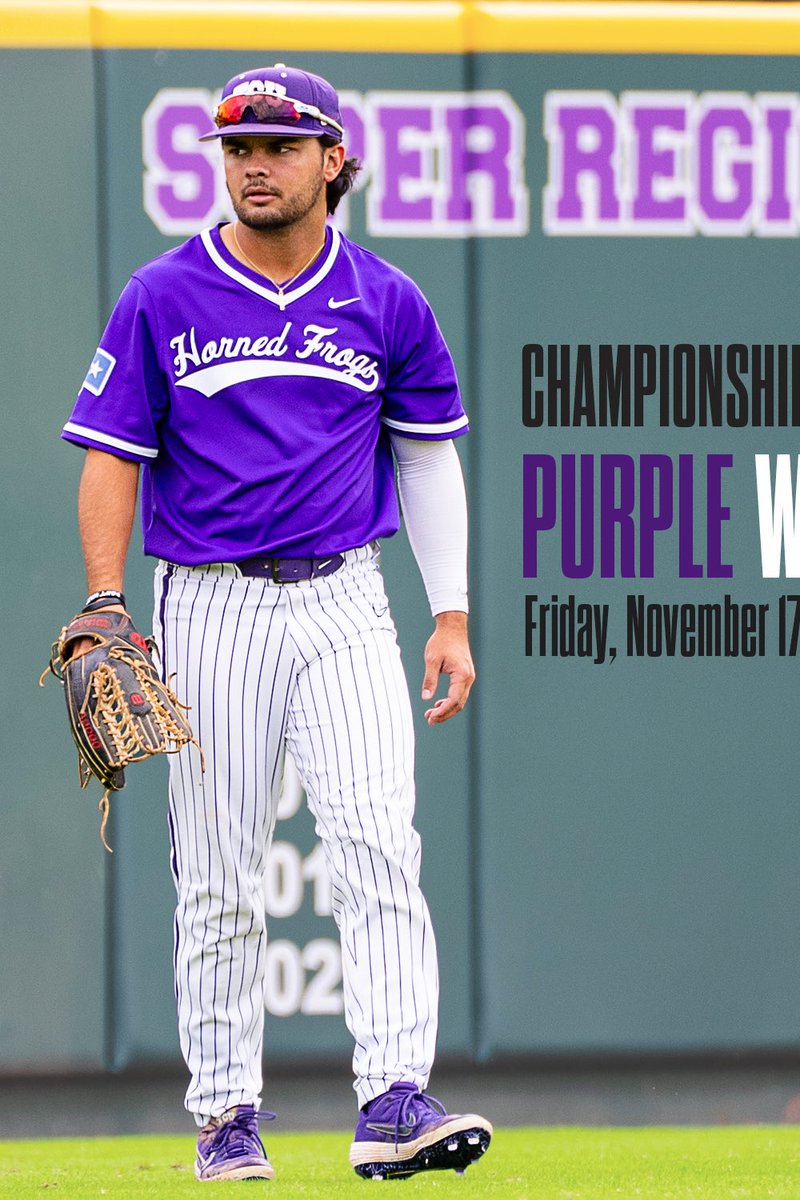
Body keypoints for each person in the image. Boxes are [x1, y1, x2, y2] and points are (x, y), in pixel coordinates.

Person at [61, 63, 491, 1183]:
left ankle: (394, 1096)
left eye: (279, 146)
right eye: (237, 146)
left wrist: (448, 615)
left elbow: (427, 455)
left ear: (332, 160)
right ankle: (225, 1115)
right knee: (217, 872)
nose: (253, 164)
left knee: (375, 845)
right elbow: (112, 454)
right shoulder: (162, 293)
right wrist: (107, 601)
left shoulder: (387, 299)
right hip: (207, 599)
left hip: (347, 595)